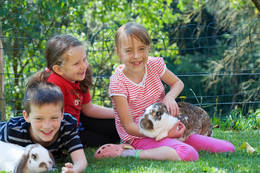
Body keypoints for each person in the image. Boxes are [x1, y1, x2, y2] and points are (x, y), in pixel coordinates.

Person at [94, 22, 235, 161]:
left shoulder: (154, 65)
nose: (136, 56)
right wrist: (162, 133)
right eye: (129, 51)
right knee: (188, 153)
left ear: (148, 48)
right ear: (118, 52)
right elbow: (129, 127)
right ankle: (130, 153)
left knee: (228, 148)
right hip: (140, 136)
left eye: (141, 49)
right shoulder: (118, 82)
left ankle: (171, 145)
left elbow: (178, 83)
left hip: (169, 128)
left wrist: (169, 97)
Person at [34, 34, 120, 147]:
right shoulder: (54, 85)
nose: (83, 66)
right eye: (76, 64)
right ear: (58, 69)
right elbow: (50, 120)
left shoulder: (80, 76)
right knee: (107, 138)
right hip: (63, 130)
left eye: (84, 59)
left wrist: (119, 113)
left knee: (118, 126)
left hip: (80, 121)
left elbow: (88, 109)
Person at [0, 80, 87, 173]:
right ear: (27, 116)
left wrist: (75, 170)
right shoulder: (13, 131)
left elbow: (80, 160)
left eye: (54, 118)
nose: (47, 126)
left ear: (62, 114)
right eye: (39, 118)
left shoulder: (67, 127)